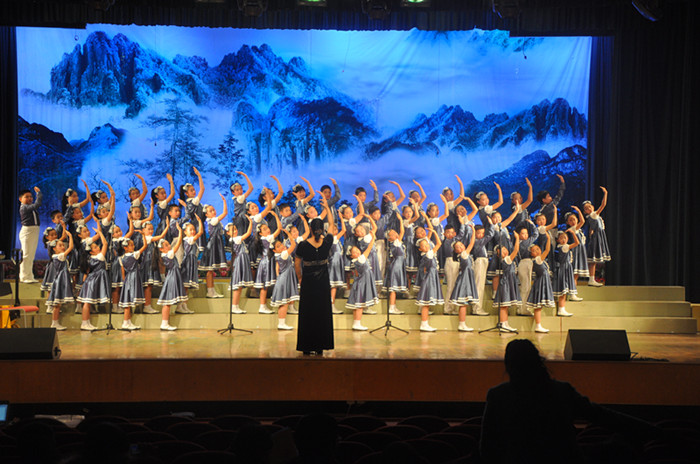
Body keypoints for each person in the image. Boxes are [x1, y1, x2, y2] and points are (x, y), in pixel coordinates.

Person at [481, 339, 658, 464]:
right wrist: (655, 431)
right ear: (539, 361)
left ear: (508, 367)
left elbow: (487, 447)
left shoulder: (498, 396)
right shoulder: (561, 391)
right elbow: (602, 416)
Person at [294, 202, 334, 356]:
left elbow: (297, 263)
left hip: (308, 281)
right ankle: (320, 346)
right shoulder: (327, 242)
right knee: (322, 312)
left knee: (308, 312)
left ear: (310, 229)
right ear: (322, 229)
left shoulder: (303, 245)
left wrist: (300, 278)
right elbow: (332, 225)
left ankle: (306, 346)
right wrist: (327, 208)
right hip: (323, 281)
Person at [583, 186, 611, 286]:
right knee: (594, 259)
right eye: (586, 208)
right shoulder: (593, 215)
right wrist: (605, 193)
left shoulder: (594, 216)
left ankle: (592, 278)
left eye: (589, 207)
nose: (588, 209)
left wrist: (591, 231)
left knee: (594, 260)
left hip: (598, 236)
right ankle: (592, 279)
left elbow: (592, 227)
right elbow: (603, 205)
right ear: (585, 212)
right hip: (597, 238)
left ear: (592, 207)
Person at [18, 186, 42, 283]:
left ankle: (29, 276)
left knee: (31, 255)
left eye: (31, 197)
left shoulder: (29, 207)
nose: (29, 198)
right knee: (26, 254)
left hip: (34, 230)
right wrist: (39, 194)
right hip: (28, 231)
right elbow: (37, 204)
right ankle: (24, 276)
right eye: (26, 197)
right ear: (20, 199)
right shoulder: (24, 207)